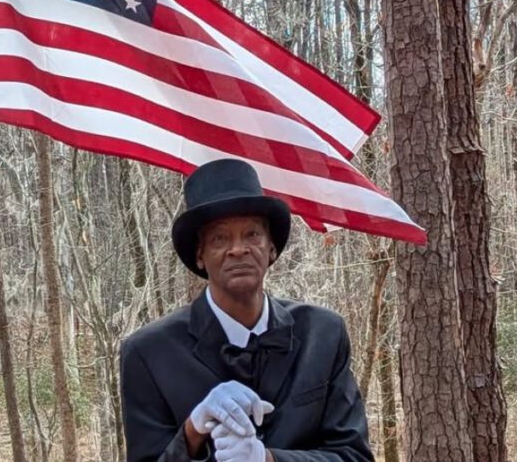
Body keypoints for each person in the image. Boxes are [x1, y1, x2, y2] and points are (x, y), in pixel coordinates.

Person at [119, 158, 374, 462]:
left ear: (271, 248)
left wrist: (267, 459)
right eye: (220, 238)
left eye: (252, 234)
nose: (238, 248)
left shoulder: (324, 334)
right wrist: (192, 432)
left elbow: (354, 456)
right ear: (200, 255)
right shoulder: (148, 353)